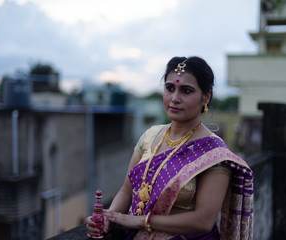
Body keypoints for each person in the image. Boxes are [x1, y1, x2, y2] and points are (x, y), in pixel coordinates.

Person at [86, 56, 254, 239]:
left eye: (186, 91)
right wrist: (108, 217)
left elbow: (203, 220)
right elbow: (127, 190)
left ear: (206, 97)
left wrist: (142, 221)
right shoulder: (150, 136)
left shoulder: (214, 153)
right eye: (170, 88)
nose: (175, 98)